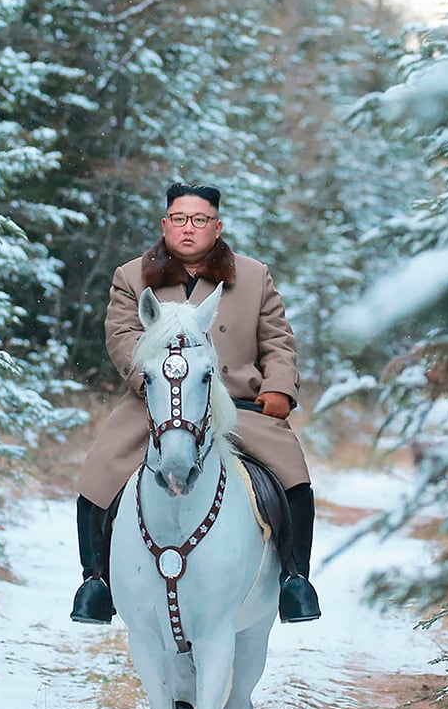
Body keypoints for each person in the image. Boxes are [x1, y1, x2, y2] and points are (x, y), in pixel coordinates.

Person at [72, 181, 322, 626]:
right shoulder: (131, 278)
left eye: (201, 220)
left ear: (217, 225)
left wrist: (280, 387)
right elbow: (123, 340)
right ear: (166, 224)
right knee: (99, 475)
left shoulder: (253, 276)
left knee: (293, 480)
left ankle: (294, 581)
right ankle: (96, 582)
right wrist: (155, 381)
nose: (190, 229)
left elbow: (279, 342)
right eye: (181, 219)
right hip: (155, 404)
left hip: (240, 406)